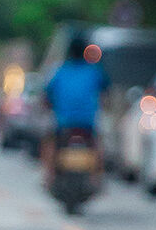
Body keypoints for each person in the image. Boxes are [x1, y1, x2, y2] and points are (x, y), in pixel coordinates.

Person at [40, 35, 109, 179]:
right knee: (98, 144)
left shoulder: (60, 71)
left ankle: (49, 175)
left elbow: (47, 94)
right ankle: (97, 177)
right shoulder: (94, 71)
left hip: (63, 123)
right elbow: (105, 93)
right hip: (87, 123)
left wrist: (49, 106)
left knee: (50, 141)